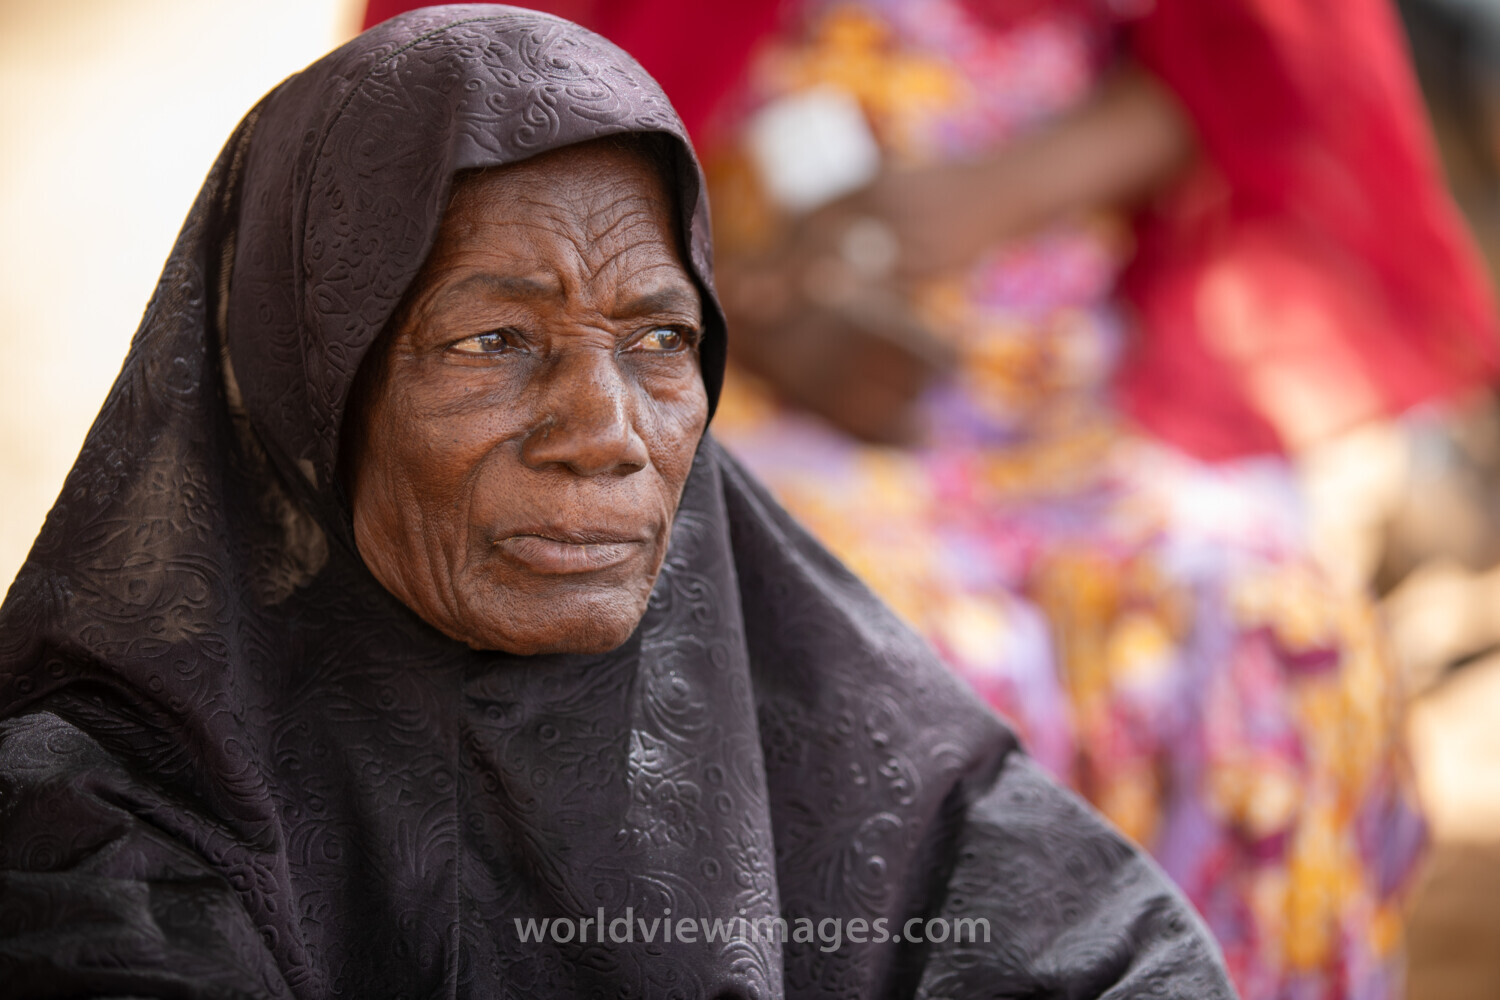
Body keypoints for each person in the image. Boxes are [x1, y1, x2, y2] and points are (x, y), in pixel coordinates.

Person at [0, 6, 1236, 998]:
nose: (608, 433)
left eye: (658, 337)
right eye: (492, 339)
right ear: (309, 371)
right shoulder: (117, 817)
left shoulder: (829, 726)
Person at [357, 1, 1495, 997]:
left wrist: (997, 193)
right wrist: (729, 304)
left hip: (1073, 407)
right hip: (711, 393)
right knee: (889, 670)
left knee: (1279, 641)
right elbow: (474, 107)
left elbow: (1259, 65)